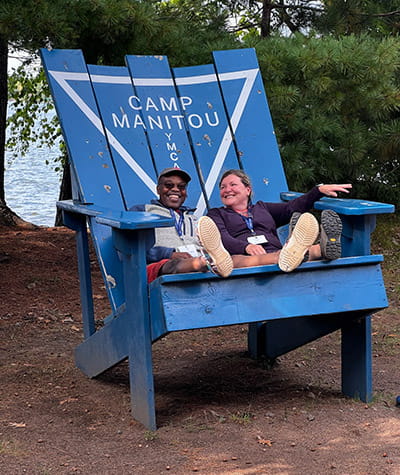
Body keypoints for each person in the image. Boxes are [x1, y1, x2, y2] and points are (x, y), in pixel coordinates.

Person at [205, 169, 352, 273]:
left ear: (247, 190)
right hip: (245, 259)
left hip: (275, 250)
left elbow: (292, 207)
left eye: (232, 185)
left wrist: (318, 191)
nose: (226, 190)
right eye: (222, 187)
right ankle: (300, 253)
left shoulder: (262, 208)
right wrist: (246, 247)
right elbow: (221, 238)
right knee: (236, 260)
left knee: (286, 252)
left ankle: (321, 247)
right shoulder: (216, 214)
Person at [130, 167, 234, 282]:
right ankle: (207, 262)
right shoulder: (143, 212)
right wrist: (169, 253)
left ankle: (256, 260)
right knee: (176, 264)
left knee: (235, 260)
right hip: (161, 267)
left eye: (181, 187)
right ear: (158, 189)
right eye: (169, 185)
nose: (175, 190)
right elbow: (130, 247)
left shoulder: (194, 219)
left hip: (196, 259)